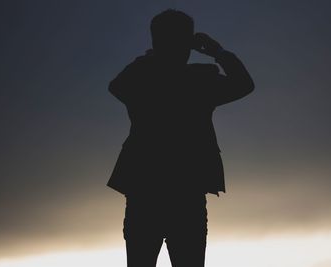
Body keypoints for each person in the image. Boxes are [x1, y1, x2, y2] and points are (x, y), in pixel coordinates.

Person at [107, 8, 255, 267]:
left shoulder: (141, 77)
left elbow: (117, 85)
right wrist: (218, 52)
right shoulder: (199, 81)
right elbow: (244, 84)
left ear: (154, 40)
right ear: (189, 42)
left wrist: (153, 57)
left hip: (145, 191)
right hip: (186, 194)